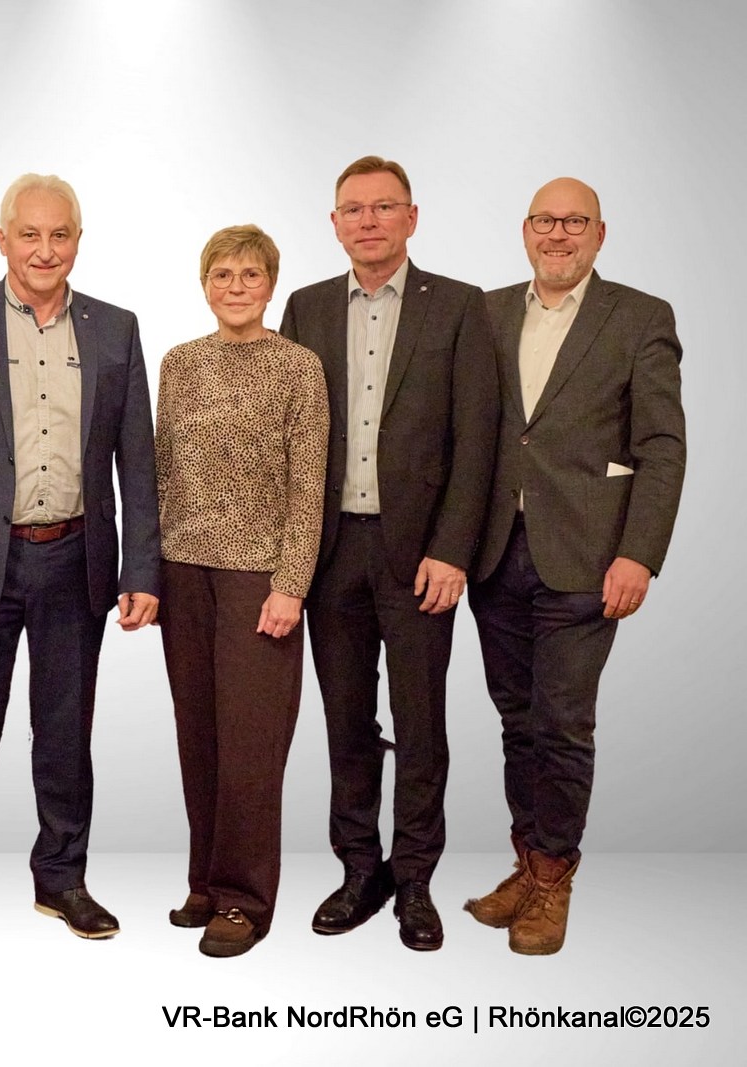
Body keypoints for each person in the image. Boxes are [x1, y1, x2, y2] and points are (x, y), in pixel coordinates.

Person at [0, 173, 161, 961]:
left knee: (66, 731)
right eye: (30, 234)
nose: (45, 250)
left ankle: (61, 877)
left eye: (60, 234)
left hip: (77, 559)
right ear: (3, 238)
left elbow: (137, 463)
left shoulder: (115, 328)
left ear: (78, 240)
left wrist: (141, 569)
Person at [279, 155, 498, 951]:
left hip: (419, 558)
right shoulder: (304, 308)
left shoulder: (460, 307)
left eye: (383, 207)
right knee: (346, 720)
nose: (368, 221)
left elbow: (478, 439)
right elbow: (288, 438)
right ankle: (358, 869)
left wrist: (453, 550)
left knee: (421, 722)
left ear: (412, 217)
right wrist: (287, 558)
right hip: (330, 550)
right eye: (353, 209)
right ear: (334, 223)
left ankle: (415, 879)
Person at [464, 178, 685, 955]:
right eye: (545, 221)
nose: (558, 234)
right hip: (495, 552)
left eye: (574, 221)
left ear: (599, 233)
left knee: (561, 722)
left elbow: (662, 445)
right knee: (516, 720)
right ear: (525, 230)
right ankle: (527, 865)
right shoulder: (486, 312)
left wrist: (639, 552)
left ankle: (553, 877)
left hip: (588, 556)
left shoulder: (640, 317)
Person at [155, 225, 329, 957]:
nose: (236, 286)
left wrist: (291, 585)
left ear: (271, 284)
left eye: (250, 274)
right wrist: (149, 574)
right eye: (222, 274)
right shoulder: (179, 363)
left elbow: (309, 486)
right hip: (183, 572)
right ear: (204, 285)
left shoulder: (299, 367)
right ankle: (206, 880)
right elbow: (161, 470)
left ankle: (245, 898)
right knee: (199, 735)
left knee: (252, 744)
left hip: (260, 577)